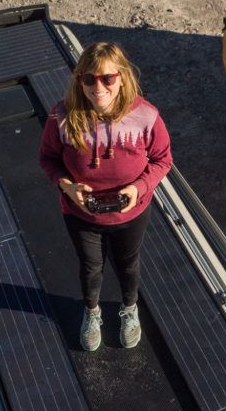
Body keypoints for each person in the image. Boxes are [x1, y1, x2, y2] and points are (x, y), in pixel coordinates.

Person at [39, 42, 172, 352]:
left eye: (107, 79)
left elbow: (163, 160)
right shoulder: (62, 117)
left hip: (132, 214)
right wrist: (67, 186)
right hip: (81, 214)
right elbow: (47, 159)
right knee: (90, 266)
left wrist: (138, 188)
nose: (97, 87)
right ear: (79, 80)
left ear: (122, 78)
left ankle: (129, 310)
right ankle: (92, 311)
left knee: (128, 264)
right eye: (88, 79)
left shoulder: (146, 116)